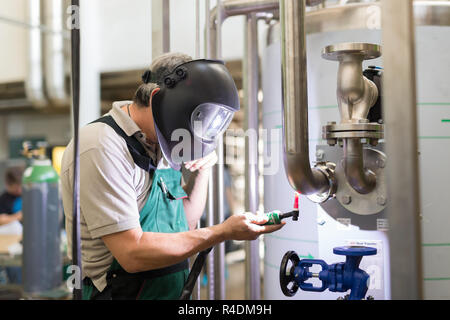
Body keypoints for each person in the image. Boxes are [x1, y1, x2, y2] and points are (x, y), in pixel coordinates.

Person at [60, 53, 284, 300]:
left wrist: (204, 169)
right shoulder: (102, 146)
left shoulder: (161, 141)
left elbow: (183, 223)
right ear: (158, 100)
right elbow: (131, 253)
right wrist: (221, 232)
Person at [0, 166, 24, 284]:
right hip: (11, 246)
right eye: (16, 187)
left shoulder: (29, 195)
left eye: (21, 186)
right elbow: (1, 219)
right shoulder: (4, 199)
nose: (19, 190)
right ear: (8, 184)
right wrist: (18, 216)